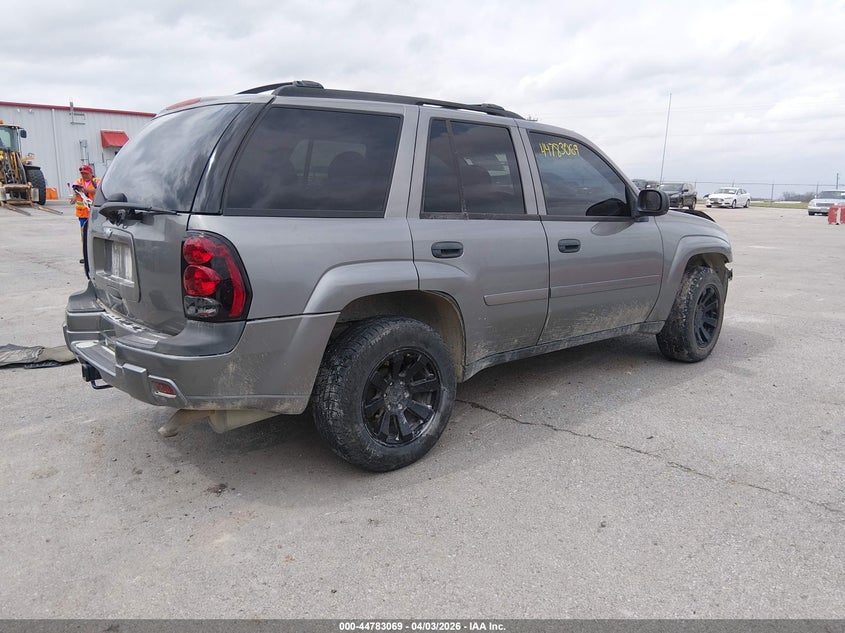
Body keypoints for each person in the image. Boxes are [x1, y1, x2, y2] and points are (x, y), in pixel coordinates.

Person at [72, 164, 100, 267]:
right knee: (84, 235)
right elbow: (75, 190)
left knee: (95, 234)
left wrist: (85, 190)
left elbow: (98, 191)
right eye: (82, 174)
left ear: (91, 173)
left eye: (86, 174)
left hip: (94, 213)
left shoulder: (97, 181)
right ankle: (86, 256)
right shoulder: (78, 182)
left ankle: (96, 256)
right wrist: (74, 196)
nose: (84, 176)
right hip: (83, 214)